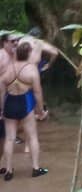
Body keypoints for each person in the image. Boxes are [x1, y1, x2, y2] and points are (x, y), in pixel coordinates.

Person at [0, 39, 48, 180]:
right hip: (25, 104)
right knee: (32, 136)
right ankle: (35, 168)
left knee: (9, 138)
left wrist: (2, 110)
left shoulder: (7, 69)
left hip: (10, 103)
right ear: (28, 54)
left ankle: (8, 171)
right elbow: (38, 93)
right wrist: (40, 110)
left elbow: (1, 92)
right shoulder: (32, 69)